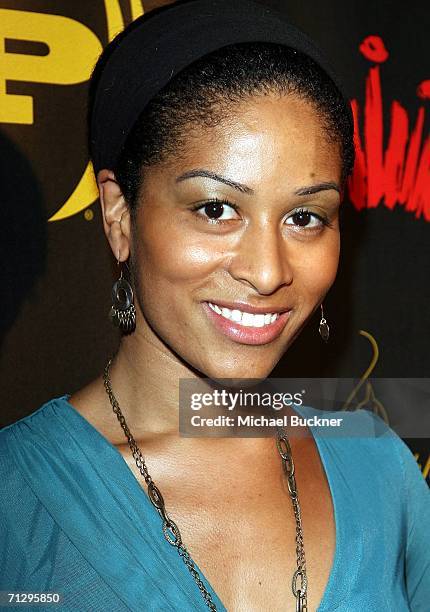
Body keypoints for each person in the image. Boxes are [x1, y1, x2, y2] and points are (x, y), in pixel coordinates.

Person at [1, 1, 429, 611]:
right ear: (120, 216)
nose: (267, 271)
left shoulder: (378, 466)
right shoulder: (14, 501)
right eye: (215, 209)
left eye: (305, 217)